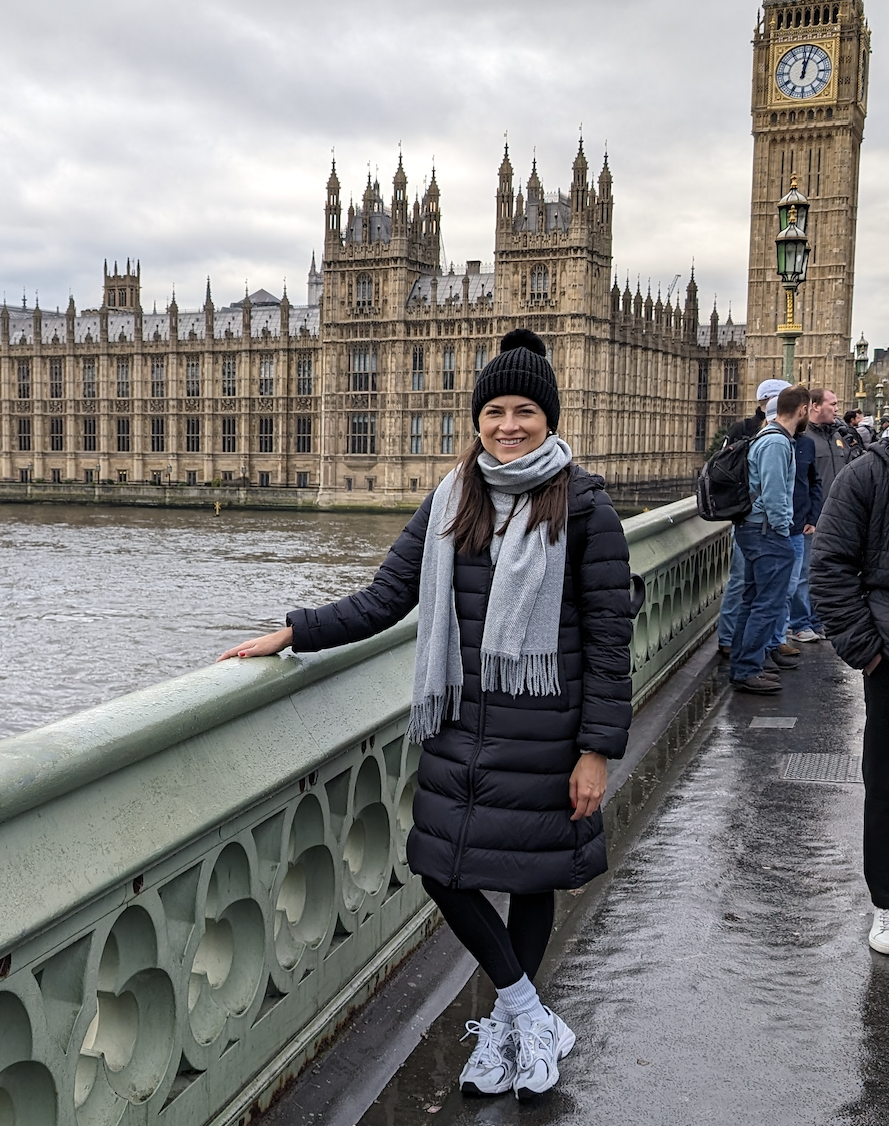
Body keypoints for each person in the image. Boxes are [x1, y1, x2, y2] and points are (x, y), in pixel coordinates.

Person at [220, 329, 632, 1101]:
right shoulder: (452, 499)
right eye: (494, 412)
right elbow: (385, 599)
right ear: (475, 419)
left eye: (525, 412)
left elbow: (611, 641)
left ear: (550, 417)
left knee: (532, 878)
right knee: (440, 868)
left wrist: (597, 750)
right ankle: (527, 1016)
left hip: (546, 733)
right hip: (458, 727)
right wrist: (293, 630)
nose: (508, 425)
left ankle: (512, 1031)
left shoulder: (586, 508)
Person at [810, 433, 889, 955]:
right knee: (887, 783)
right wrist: (869, 651)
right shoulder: (868, 473)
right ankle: (887, 903)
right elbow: (830, 565)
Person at [729, 386, 811, 693]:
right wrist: (782, 530)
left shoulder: (768, 437)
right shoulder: (777, 442)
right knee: (767, 604)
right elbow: (775, 494)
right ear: (802, 410)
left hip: (754, 530)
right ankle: (748, 668)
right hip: (766, 532)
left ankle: (743, 667)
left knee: (751, 602)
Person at [718, 379, 790, 657]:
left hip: (766, 523)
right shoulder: (747, 430)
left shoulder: (784, 435)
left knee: (762, 593)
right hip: (754, 523)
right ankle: (734, 645)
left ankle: (763, 646)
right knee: (747, 589)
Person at [800, 388, 864, 642]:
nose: (837, 409)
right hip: (814, 517)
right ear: (815, 406)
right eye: (833, 404)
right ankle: (801, 623)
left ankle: (817, 620)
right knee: (805, 572)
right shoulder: (804, 437)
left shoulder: (839, 436)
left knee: (828, 573)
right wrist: (807, 516)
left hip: (839, 515)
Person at [780, 402, 824, 648]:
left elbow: (814, 482)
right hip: (776, 526)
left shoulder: (806, 444)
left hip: (800, 524)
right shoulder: (772, 441)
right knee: (778, 586)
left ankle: (798, 625)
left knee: (800, 579)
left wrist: (812, 517)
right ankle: (778, 637)